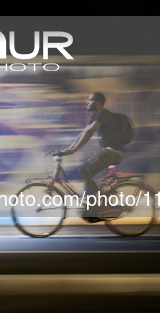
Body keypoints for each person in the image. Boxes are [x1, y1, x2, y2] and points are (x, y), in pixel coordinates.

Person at [58, 92, 126, 222]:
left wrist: (72, 150)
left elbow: (89, 132)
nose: (87, 102)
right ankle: (96, 201)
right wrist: (69, 149)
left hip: (113, 151)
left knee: (85, 169)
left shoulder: (103, 114)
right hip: (108, 150)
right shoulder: (96, 116)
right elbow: (84, 132)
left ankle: (93, 205)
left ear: (99, 102)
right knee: (83, 164)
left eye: (90, 100)